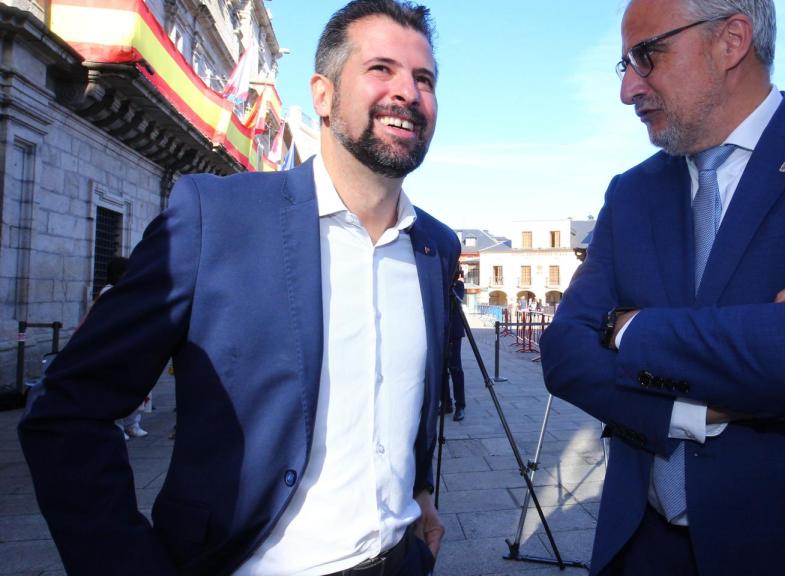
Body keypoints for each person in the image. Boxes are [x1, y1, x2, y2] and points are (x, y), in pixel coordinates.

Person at [19, 1, 458, 574]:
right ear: (322, 96)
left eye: (423, 79)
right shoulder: (216, 217)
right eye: (381, 69)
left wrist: (419, 490)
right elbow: (67, 410)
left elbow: (411, 402)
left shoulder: (435, 247)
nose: (407, 92)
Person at [540, 1, 785, 575]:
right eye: (623, 66)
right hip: (644, 546)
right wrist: (695, 408)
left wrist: (628, 327)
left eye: (646, 56)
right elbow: (565, 355)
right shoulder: (632, 192)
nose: (628, 88)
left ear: (730, 40)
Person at [97, 257, 149, 440]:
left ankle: (132, 423)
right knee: (116, 387)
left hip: (132, 345)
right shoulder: (108, 292)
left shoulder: (129, 291)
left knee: (137, 387)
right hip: (115, 347)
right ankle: (117, 425)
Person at [443, 271, 467, 421]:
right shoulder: (439, 284)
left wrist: (451, 284)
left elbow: (456, 301)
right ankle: (446, 403)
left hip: (454, 332)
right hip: (440, 330)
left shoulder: (458, 285)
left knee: (455, 368)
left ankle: (460, 405)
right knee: (440, 370)